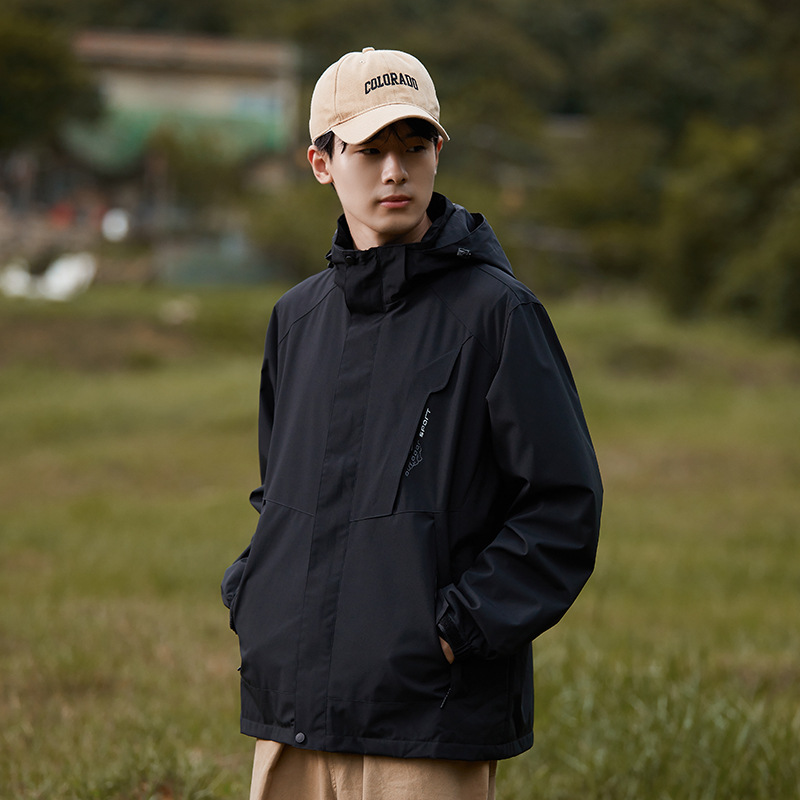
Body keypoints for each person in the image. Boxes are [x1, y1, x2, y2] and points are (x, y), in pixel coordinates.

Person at [221, 47, 602, 800]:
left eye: (413, 146)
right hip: (290, 711)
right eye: (370, 151)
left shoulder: (498, 315)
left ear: (437, 153)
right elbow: (280, 493)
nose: (394, 172)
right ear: (322, 163)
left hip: (428, 718)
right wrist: (254, 595)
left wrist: (456, 631)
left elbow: (562, 507)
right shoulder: (297, 319)